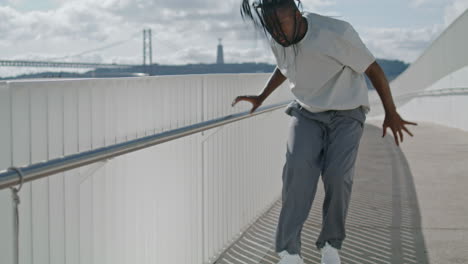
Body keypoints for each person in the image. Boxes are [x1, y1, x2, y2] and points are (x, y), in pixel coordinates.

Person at [231, 0, 418, 263]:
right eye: (271, 29)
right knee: (297, 171)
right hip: (307, 112)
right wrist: (262, 96)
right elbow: (286, 66)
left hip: (347, 111)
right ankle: (289, 251)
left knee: (337, 176)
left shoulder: (335, 33)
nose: (277, 35)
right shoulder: (278, 37)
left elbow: (373, 69)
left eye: (281, 27)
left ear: (297, 15)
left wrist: (390, 112)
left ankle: (331, 245)